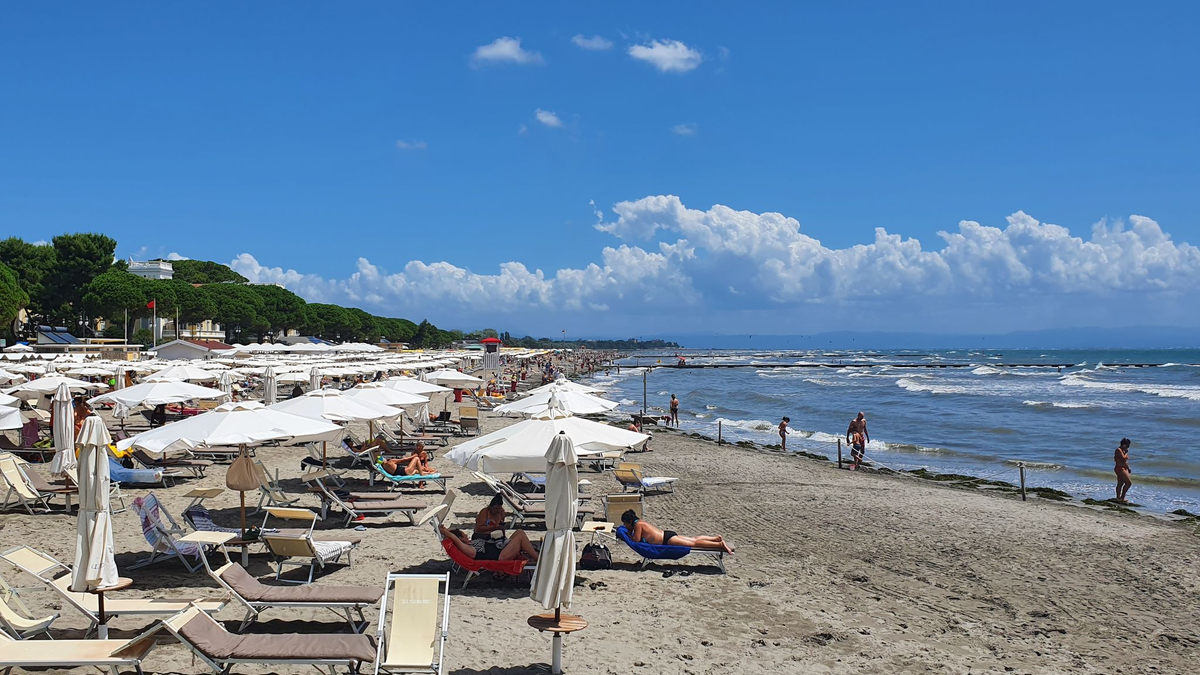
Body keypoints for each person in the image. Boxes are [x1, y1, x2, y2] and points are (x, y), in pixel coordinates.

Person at [620, 510, 733, 554]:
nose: (625, 526)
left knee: (694, 544)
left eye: (625, 523)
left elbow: (636, 540)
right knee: (693, 539)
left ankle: (719, 544)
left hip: (666, 540)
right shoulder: (640, 521)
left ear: (629, 521)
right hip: (667, 535)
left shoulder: (638, 525)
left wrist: (628, 534)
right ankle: (715, 538)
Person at [439, 525, 539, 562]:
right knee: (521, 536)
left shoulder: (469, 543)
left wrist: (446, 530)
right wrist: (447, 533)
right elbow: (455, 539)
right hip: (501, 556)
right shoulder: (468, 549)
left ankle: (534, 554)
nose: (465, 534)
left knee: (519, 531)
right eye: (463, 533)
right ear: (461, 538)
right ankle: (537, 559)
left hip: (501, 549)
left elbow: (455, 535)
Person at [1114, 438, 1132, 503]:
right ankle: (1122, 497)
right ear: (1124, 445)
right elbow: (1123, 459)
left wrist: (1128, 468)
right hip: (1119, 468)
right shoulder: (1118, 450)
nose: (1128, 447)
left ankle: (1118, 498)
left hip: (1123, 468)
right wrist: (1126, 453)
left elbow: (1124, 462)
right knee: (1128, 483)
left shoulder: (1123, 451)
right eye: (1127, 445)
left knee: (1120, 483)